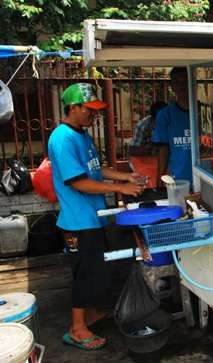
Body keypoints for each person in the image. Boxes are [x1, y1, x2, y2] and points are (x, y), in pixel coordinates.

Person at [48, 83, 144, 350]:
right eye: (89, 110)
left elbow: (95, 169)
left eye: (95, 110)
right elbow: (78, 182)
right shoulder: (62, 138)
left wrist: (125, 176)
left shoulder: (82, 135)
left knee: (95, 271)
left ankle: (88, 317)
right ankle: (77, 329)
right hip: (78, 221)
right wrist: (120, 188)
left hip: (93, 217)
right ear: (73, 108)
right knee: (84, 274)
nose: (94, 115)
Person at [152, 67, 192, 184]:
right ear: (172, 87)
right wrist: (160, 179)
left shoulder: (205, 112)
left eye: (185, 80)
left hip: (205, 175)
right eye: (177, 81)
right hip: (179, 179)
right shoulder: (165, 115)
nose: (182, 85)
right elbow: (163, 149)